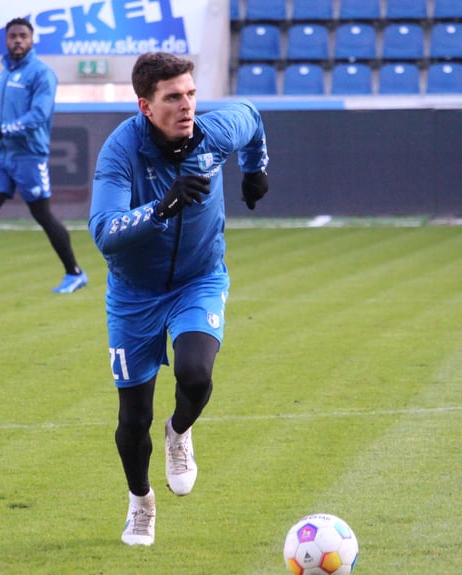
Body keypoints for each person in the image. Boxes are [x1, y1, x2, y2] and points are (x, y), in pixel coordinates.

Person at [88, 52, 270, 546]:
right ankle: (140, 504)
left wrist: (255, 170)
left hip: (199, 278)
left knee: (196, 373)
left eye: (190, 93)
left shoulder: (213, 133)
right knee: (132, 419)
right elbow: (103, 231)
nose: (187, 105)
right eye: (173, 97)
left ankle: (180, 431)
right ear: (146, 106)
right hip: (135, 296)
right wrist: (164, 204)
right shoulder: (120, 152)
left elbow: (251, 117)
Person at [0, 17, 86, 295]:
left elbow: (39, 115)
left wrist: (0, 132)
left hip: (29, 155)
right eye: (13, 36)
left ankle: (75, 273)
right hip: (1, 157)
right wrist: (0, 139)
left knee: (42, 215)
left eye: (23, 35)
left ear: (32, 40)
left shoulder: (41, 73)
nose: (18, 40)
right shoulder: (5, 72)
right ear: (6, 40)